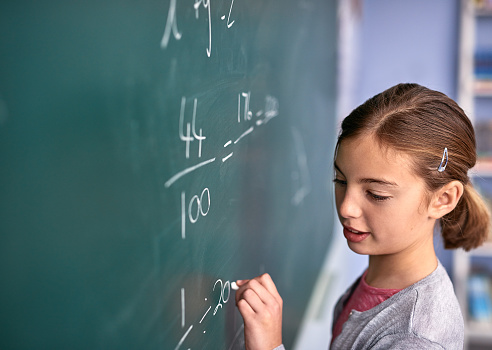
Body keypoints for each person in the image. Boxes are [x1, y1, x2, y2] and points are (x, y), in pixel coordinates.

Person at [234, 83, 491, 350]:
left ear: (443, 199)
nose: (346, 207)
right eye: (340, 180)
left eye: (376, 194)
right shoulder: (382, 279)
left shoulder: (415, 339)